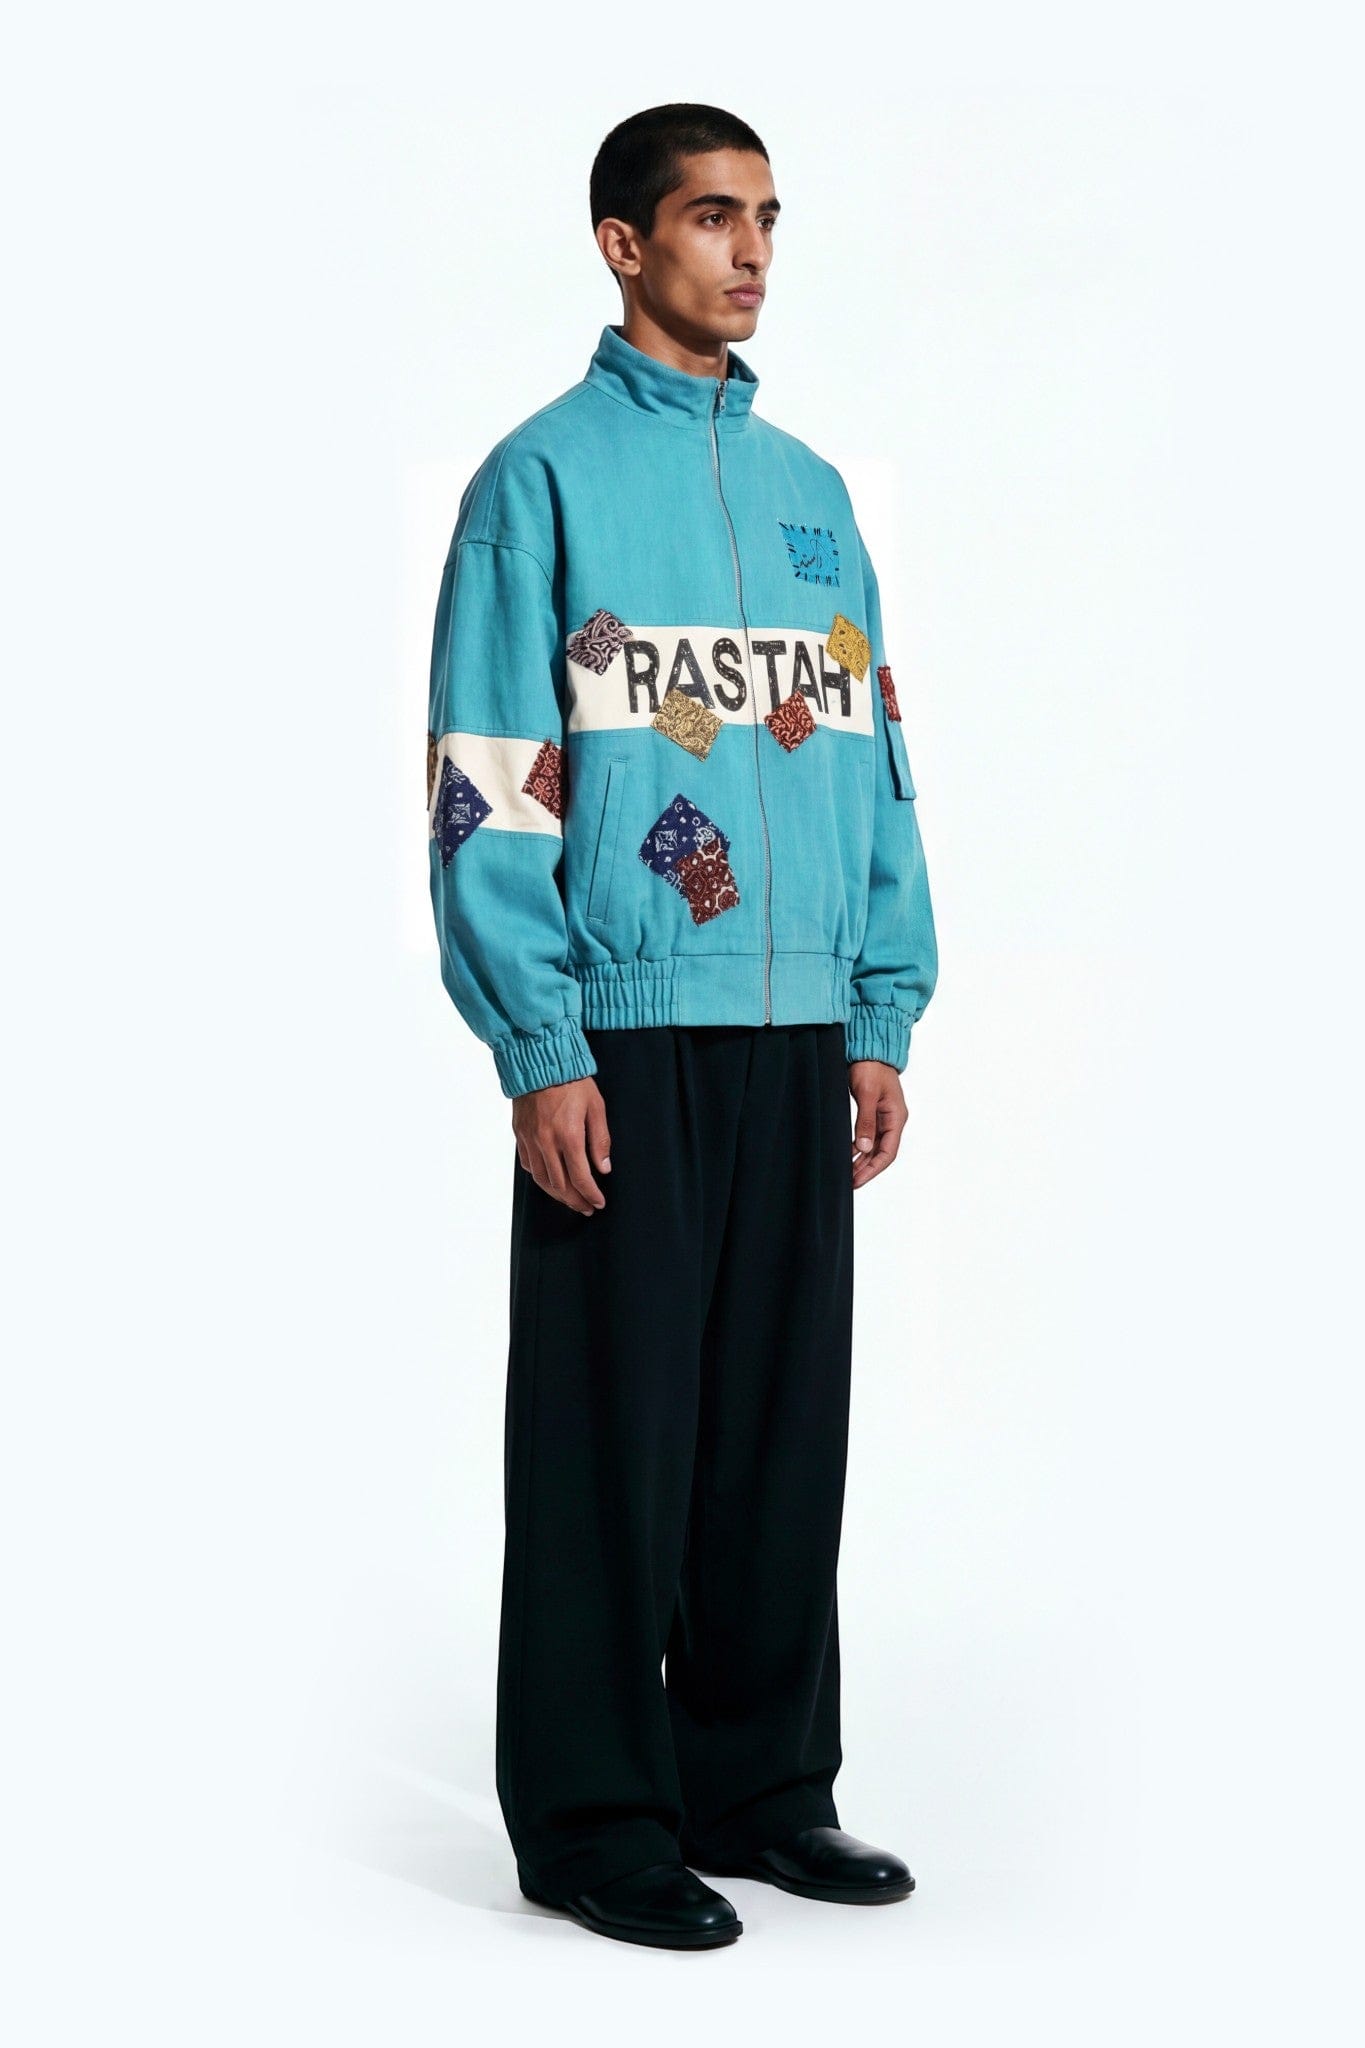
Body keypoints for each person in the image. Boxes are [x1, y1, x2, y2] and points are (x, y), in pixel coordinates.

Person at [426, 103, 939, 1951]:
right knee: (610, 1441)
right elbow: (490, 778)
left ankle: (759, 1789)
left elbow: (875, 758)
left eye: (767, 219)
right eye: (713, 217)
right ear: (622, 244)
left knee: (775, 1437)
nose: (750, 253)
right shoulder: (540, 484)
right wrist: (541, 1045)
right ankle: (589, 1819)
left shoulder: (814, 498)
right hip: (624, 1032)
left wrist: (880, 1009)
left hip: (801, 1027)